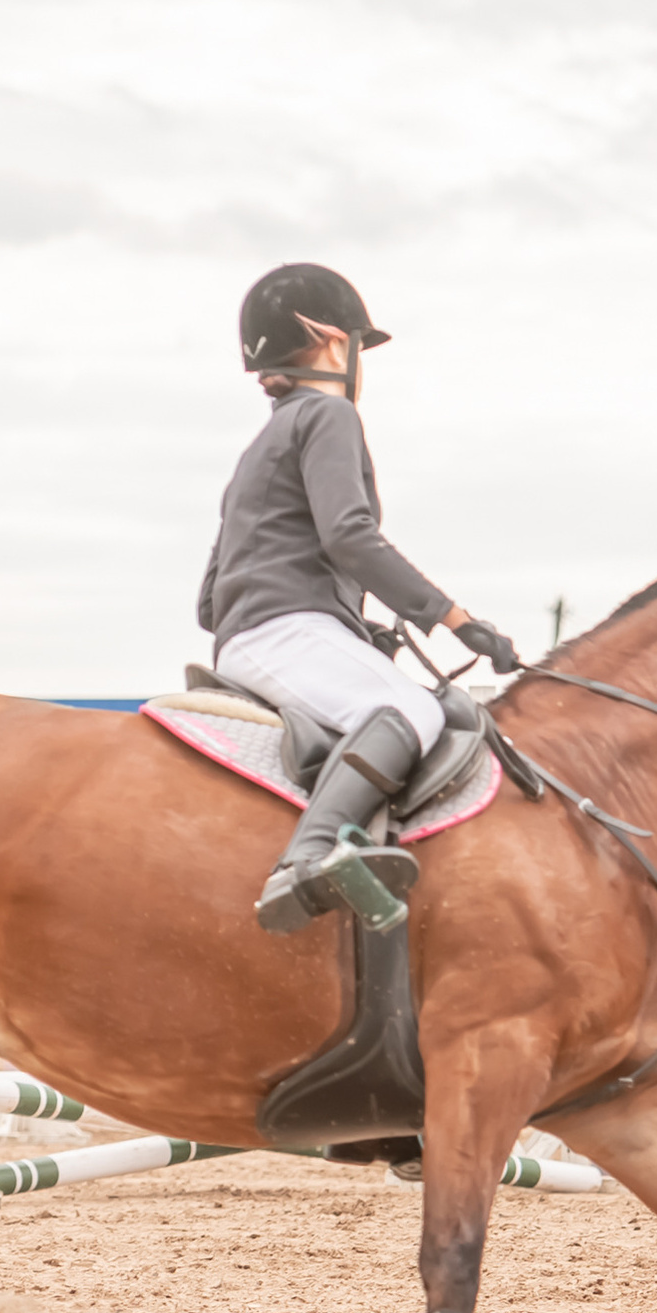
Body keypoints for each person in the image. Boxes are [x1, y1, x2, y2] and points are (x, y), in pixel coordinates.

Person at [198, 263, 521, 933]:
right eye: (358, 345)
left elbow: (210, 600)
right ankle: (309, 855)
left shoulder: (262, 445)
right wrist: (456, 621)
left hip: (252, 637)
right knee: (408, 708)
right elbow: (350, 538)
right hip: (281, 633)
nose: (361, 365)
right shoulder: (329, 413)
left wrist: (353, 630)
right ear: (328, 339)